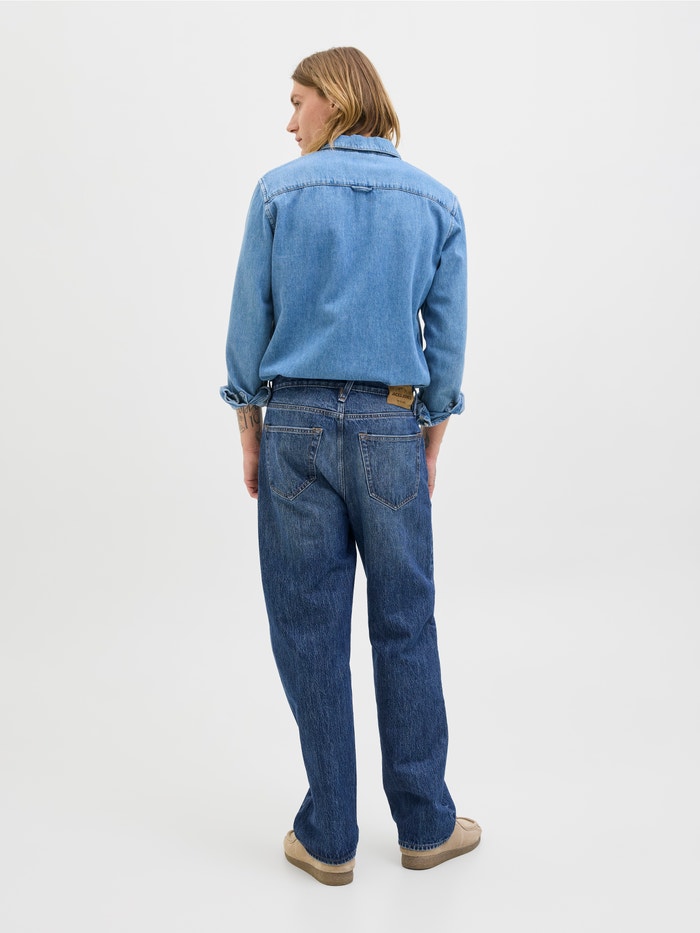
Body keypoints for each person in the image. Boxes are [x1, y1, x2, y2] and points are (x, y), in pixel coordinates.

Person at [220, 46, 480, 886]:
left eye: (298, 101)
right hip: (391, 424)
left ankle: (329, 835)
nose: (288, 120)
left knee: (310, 629)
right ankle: (425, 825)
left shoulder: (278, 193)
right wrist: (431, 427)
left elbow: (248, 322)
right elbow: (447, 334)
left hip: (294, 424)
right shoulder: (435, 201)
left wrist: (250, 425)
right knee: (406, 621)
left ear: (334, 100)